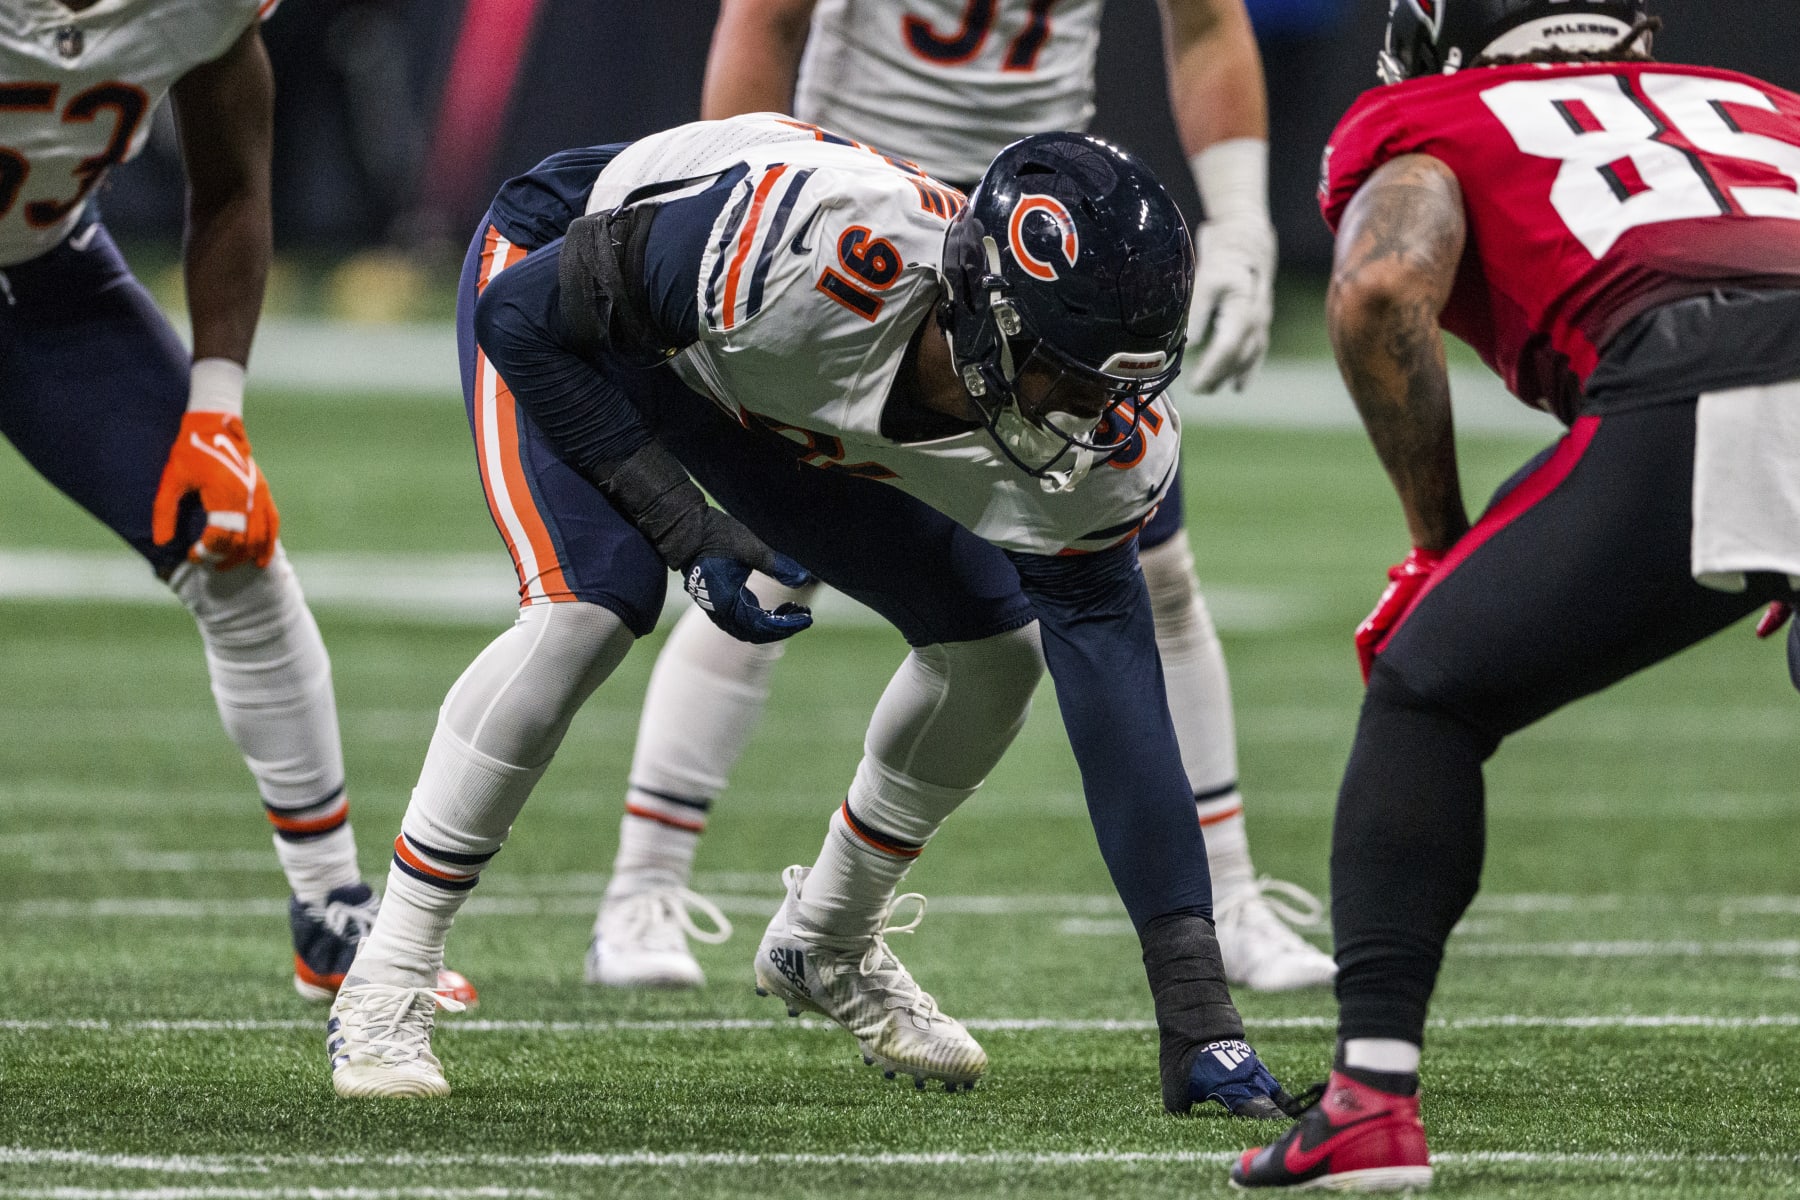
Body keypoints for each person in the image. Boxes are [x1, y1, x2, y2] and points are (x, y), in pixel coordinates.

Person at [325, 113, 1297, 1119]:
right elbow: (523, 318)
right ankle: (387, 975)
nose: (1090, 415)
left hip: (765, 378)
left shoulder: (1096, 434)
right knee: (591, 607)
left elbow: (1121, 704)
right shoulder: (806, 253)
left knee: (996, 652)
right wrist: (679, 522)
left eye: (1116, 382)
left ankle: (826, 940)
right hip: (583, 293)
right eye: (1068, 371)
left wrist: (1199, 1015)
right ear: (980, 311)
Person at [585, 0, 1335, 999]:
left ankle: (1229, 898)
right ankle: (643, 889)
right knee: (772, 562)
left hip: (1055, 252)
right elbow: (764, 24)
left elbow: (1204, 23)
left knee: (1150, 569)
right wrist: (745, 184)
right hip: (868, 230)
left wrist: (1241, 224)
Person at [1231, 1, 1800, 1189]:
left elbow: (1380, 290)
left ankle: (1369, 1101)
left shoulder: (1432, 114)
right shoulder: (1762, 107)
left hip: (1702, 374)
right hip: (1740, 375)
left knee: (1428, 691)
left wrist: (1438, 542)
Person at [0, 0, 470, 1005]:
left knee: (235, 554)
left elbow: (231, 187)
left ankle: (334, 913)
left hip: (42, 289)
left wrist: (215, 412)